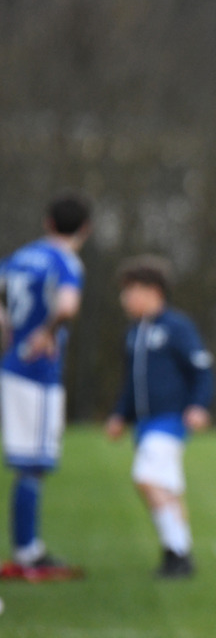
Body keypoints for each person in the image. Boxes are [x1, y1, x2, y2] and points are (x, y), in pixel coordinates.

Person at [0, 191, 91, 582]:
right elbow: (68, 306)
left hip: (9, 363)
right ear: (84, 229)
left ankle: (27, 549)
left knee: (26, 460)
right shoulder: (65, 261)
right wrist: (46, 333)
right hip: (35, 371)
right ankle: (28, 552)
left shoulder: (18, 258)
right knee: (32, 464)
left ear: (47, 222)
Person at [105, 255, 214, 578]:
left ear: (153, 291)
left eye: (130, 290)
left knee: (147, 478)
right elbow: (131, 382)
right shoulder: (133, 333)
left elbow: (202, 370)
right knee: (167, 487)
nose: (125, 298)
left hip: (169, 421)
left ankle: (176, 551)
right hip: (144, 423)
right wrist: (119, 415)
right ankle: (179, 555)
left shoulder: (176, 327)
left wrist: (199, 405)